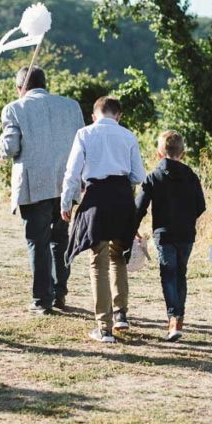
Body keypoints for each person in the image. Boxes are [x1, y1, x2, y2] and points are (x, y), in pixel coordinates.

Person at [0, 66, 84, 314]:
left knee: (37, 242)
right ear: (45, 83)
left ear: (20, 88)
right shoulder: (71, 106)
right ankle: (59, 293)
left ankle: (41, 300)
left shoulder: (14, 108)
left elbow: (11, 149)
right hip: (66, 183)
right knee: (60, 239)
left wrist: (2, 141)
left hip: (33, 185)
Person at [62, 96, 146, 343]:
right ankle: (121, 314)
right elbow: (138, 175)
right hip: (122, 197)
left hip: (96, 197)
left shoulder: (84, 134)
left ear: (94, 115)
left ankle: (104, 327)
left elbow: (72, 172)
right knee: (118, 256)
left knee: (97, 260)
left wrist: (66, 202)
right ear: (118, 116)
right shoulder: (128, 136)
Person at [135, 130, 206, 341]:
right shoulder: (191, 176)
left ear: (159, 153)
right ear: (182, 153)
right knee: (181, 274)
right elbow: (200, 206)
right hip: (186, 234)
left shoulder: (153, 177)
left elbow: (140, 207)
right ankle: (179, 318)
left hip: (164, 234)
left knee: (168, 274)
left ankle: (173, 319)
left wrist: (132, 227)